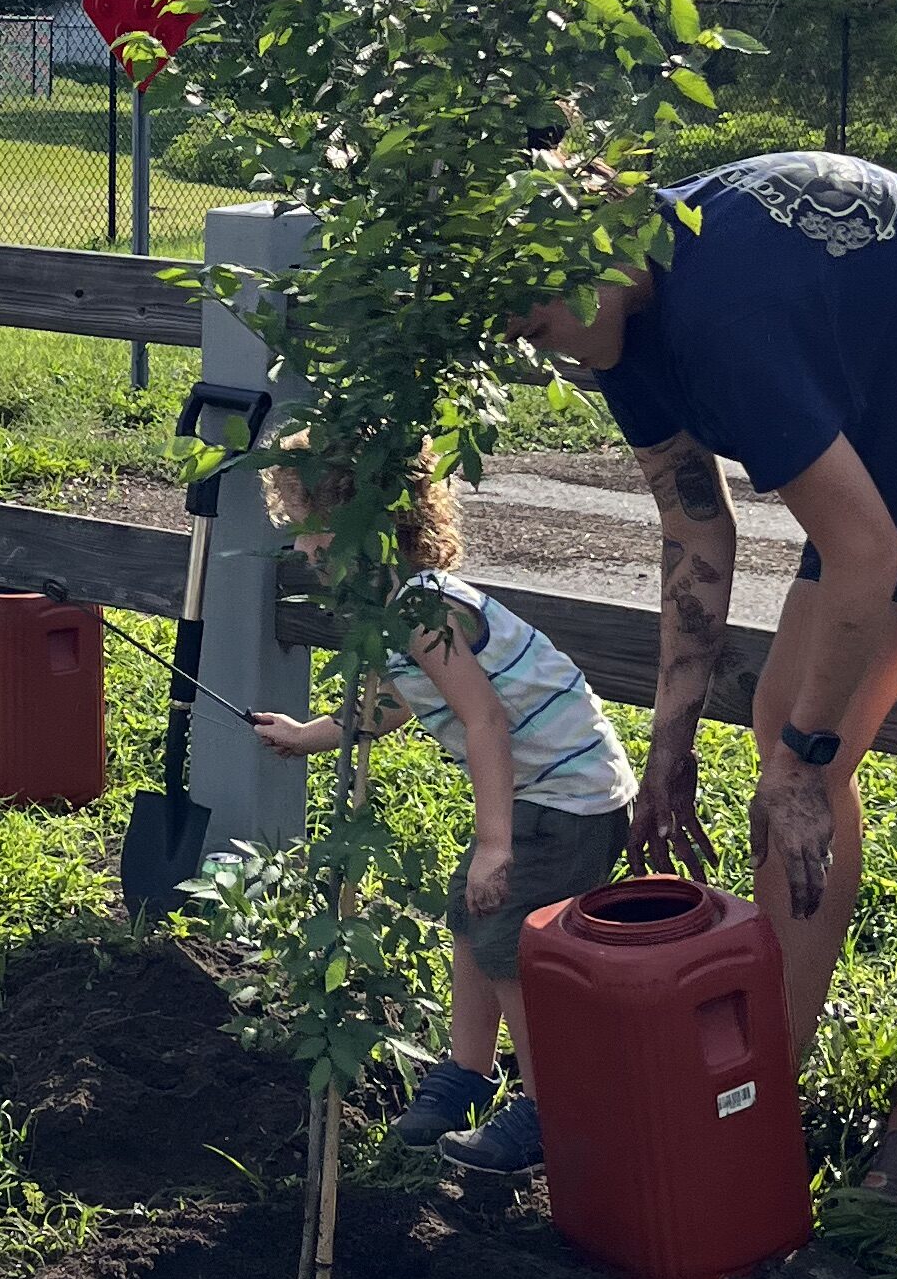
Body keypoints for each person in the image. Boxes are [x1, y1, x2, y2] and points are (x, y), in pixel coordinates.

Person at [523, 149, 897, 1215]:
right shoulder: (624, 325)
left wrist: (808, 764)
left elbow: (864, 557)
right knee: (784, 731)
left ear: (593, 250)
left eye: (534, 322)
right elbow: (695, 529)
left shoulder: (725, 312)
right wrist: (673, 740)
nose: (537, 348)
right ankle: (768, 1078)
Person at [247, 437, 640, 1182]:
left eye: (313, 526)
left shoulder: (424, 610)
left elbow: (484, 720)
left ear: (370, 524)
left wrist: (495, 845)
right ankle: (468, 1073)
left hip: (569, 800)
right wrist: (310, 735)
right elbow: (398, 703)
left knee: (506, 940)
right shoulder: (396, 606)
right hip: (540, 792)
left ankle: (551, 1109)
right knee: (471, 916)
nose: (301, 546)